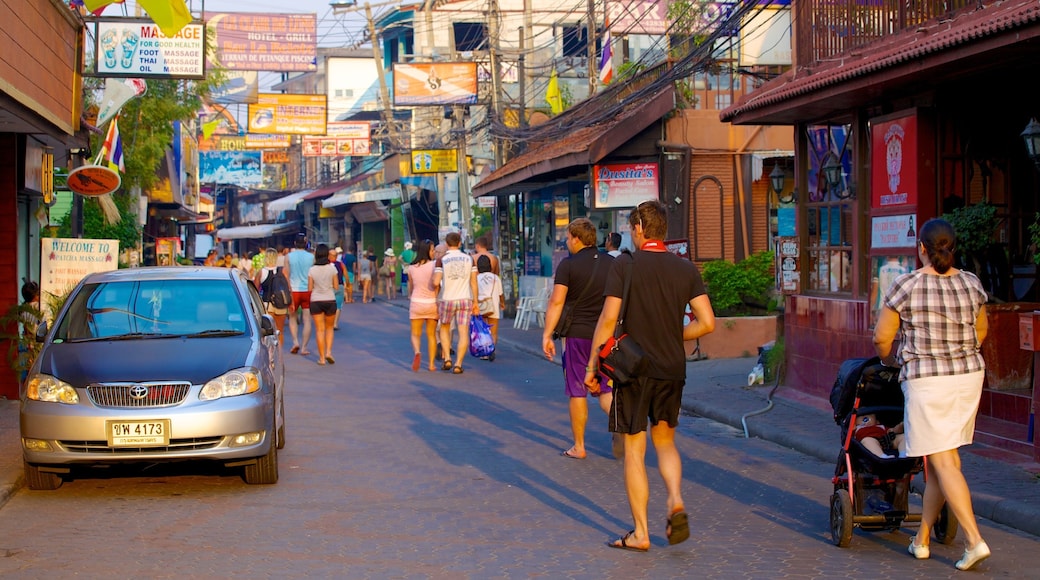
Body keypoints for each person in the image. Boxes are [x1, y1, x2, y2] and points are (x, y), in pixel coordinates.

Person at [585, 199, 715, 552]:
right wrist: (675, 334)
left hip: (633, 370)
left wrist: (593, 366)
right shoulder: (685, 269)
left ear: (639, 228)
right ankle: (675, 499)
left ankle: (641, 533)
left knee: (633, 448)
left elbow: (609, 320)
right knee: (666, 441)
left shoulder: (625, 265)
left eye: (631, 227)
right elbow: (707, 322)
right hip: (672, 368)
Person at [873, 217, 991, 570]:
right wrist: (957, 353)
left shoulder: (904, 285)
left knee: (941, 460)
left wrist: (889, 360)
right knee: (943, 459)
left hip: (927, 379)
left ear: (920, 248)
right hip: (968, 376)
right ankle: (922, 539)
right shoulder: (971, 283)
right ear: (952, 248)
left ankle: (974, 540)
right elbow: (981, 329)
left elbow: (882, 337)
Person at [543, 218, 615, 460]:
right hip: (606, 337)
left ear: (576, 238)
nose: (566, 241)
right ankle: (624, 429)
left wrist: (547, 334)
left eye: (568, 237)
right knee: (605, 388)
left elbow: (557, 302)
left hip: (577, 336)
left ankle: (579, 445)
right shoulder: (612, 263)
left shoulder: (568, 266)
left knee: (577, 390)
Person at [433, 231, 478, 374]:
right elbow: (474, 282)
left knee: (445, 328)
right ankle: (458, 364)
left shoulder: (442, 259)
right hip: (465, 299)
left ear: (447, 244)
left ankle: (447, 358)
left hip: (447, 299)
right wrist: (476, 302)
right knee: (463, 332)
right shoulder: (469, 259)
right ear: (460, 243)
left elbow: (435, 282)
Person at [407, 239, 439, 372]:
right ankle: (431, 364)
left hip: (416, 303)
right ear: (427, 251)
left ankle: (417, 352)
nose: (434, 252)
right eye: (432, 250)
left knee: (415, 334)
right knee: (431, 335)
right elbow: (437, 285)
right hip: (432, 303)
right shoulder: (434, 265)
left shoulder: (411, 268)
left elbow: (411, 286)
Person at [308, 244, 340, 366]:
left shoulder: (312, 270)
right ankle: (328, 352)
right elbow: (336, 286)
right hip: (330, 299)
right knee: (329, 328)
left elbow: (310, 288)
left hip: (316, 300)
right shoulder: (332, 269)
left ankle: (321, 358)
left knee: (319, 330)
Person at [285, 235, 315, 356]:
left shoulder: (288, 256)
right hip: (308, 290)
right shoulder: (311, 257)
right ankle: (304, 347)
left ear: (294, 243)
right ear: (306, 243)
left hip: (293, 290)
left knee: (292, 318)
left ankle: (295, 342)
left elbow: (286, 274)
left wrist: (289, 288)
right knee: (307, 320)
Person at [254, 248, 287, 348]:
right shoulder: (282, 271)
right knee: (279, 330)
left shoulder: (261, 272)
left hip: (266, 303)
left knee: (268, 331)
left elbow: (255, 289)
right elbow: (288, 287)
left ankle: (270, 354)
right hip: (280, 303)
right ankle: (279, 353)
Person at [476, 255, 504, 361]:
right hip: (493, 306)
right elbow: (500, 294)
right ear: (489, 265)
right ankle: (491, 349)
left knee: (482, 330)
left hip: (480, 307)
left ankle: (484, 353)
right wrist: (502, 303)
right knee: (494, 331)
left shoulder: (476, 278)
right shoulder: (496, 278)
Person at [329, 247, 346, 330]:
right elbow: (346, 275)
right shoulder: (341, 264)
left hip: (329, 287)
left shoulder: (326, 265)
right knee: (338, 306)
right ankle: (335, 324)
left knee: (329, 305)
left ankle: (329, 322)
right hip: (340, 286)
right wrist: (348, 284)